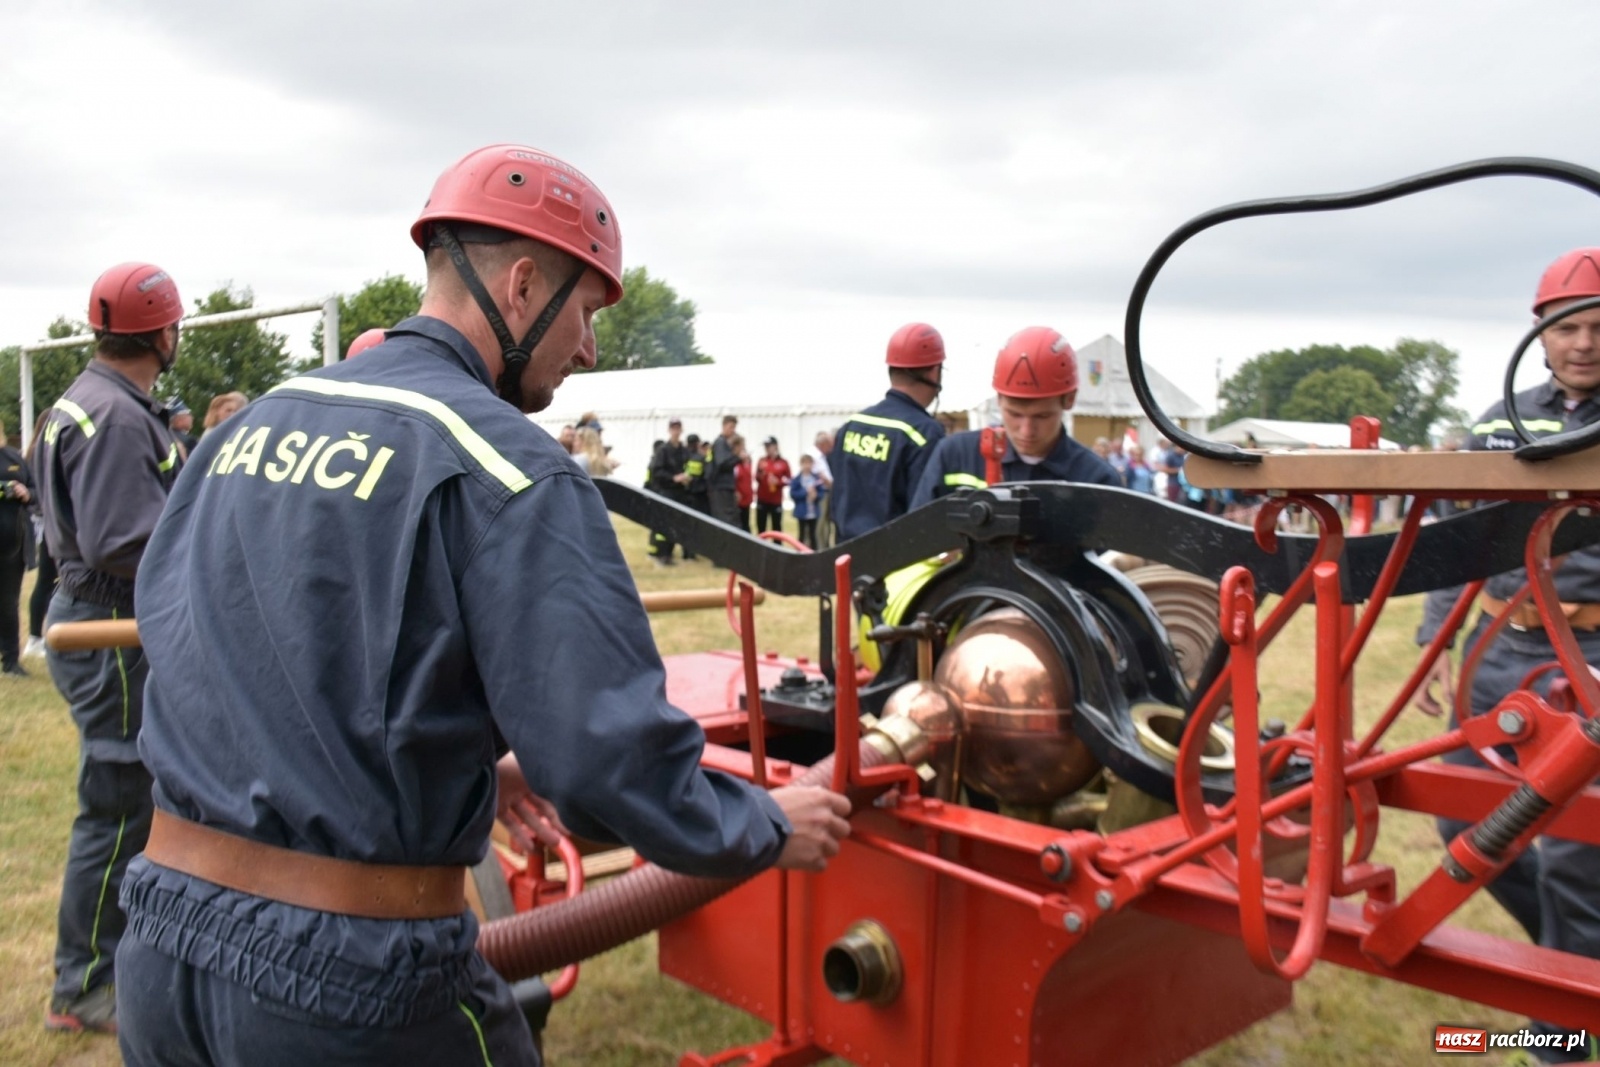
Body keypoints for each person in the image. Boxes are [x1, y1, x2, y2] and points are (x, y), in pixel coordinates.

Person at [115, 145, 851, 1067]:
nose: (586, 348)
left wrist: (454, 770)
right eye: (583, 313)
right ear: (522, 284)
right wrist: (762, 826)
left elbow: (205, 652)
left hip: (161, 945)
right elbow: (602, 760)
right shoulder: (511, 468)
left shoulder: (250, 428)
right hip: (351, 986)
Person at [1417, 248, 1600, 1062]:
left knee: (1572, 844)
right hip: (1500, 646)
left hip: (1589, 651)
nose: (1586, 343)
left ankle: (1561, 1030)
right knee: (1465, 818)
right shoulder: (1501, 420)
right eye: (1569, 327)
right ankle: (1573, 962)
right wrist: (1435, 640)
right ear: (1541, 332)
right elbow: (1452, 539)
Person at [31, 261, 184, 1034]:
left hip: (99, 621)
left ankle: (122, 956)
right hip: (109, 631)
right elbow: (122, 538)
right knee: (118, 806)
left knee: (134, 799)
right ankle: (83, 983)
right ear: (163, 331)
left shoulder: (86, 401)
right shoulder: (118, 417)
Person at [911, 326, 1120, 507]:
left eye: (1042, 416)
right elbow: (915, 540)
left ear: (1069, 399)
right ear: (999, 399)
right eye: (1015, 414)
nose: (1027, 430)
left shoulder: (1097, 480)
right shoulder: (954, 456)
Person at [830, 323, 947, 541]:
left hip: (844, 559)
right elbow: (925, 517)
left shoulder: (852, 425)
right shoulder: (924, 434)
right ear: (934, 371)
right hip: (895, 566)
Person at [0, 415, 34, 676]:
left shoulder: (14, 457)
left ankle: (11, 660)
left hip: (13, 543)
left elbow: (35, 489)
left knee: (9, 603)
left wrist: (26, 493)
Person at [23, 410, 57, 660]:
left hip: (49, 522)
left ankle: (39, 635)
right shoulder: (40, 452)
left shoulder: (35, 451)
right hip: (48, 523)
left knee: (50, 581)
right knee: (46, 580)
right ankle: (34, 638)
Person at [647, 418, 690, 564]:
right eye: (673, 428)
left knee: (676, 525)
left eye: (678, 428)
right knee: (663, 525)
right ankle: (661, 554)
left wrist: (686, 477)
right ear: (669, 430)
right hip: (666, 492)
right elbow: (657, 472)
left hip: (680, 492)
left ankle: (669, 554)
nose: (676, 431)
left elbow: (689, 466)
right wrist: (673, 478)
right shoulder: (663, 450)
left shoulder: (684, 450)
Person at [708, 415, 741, 527]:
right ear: (724, 426)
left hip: (725, 487)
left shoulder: (724, 443)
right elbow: (722, 463)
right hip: (720, 488)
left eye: (734, 427)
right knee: (725, 520)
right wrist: (738, 458)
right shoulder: (720, 443)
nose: (732, 430)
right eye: (730, 427)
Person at [755, 436, 791, 535]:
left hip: (776, 500)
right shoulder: (762, 461)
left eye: (769, 446)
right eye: (765, 446)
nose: (767, 448)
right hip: (762, 498)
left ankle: (777, 547)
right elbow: (756, 477)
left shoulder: (783, 462)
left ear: (775, 446)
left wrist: (778, 482)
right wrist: (761, 476)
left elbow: (789, 479)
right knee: (761, 527)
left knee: (776, 527)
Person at [791, 453, 826, 550]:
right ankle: (799, 553)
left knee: (813, 535)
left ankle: (813, 553)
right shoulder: (797, 479)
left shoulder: (816, 478)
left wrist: (816, 496)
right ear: (801, 464)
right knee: (801, 534)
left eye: (809, 463)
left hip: (813, 512)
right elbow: (793, 494)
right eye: (804, 463)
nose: (807, 466)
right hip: (802, 511)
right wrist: (805, 492)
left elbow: (821, 493)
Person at [808, 430, 835, 548]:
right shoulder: (813, 455)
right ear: (823, 444)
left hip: (827, 492)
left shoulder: (822, 456)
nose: (831, 449)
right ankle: (820, 547)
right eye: (829, 445)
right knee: (820, 523)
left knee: (826, 522)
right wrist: (828, 482)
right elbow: (817, 475)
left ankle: (825, 545)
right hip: (820, 493)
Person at [731, 434, 753, 533]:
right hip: (738, 500)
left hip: (747, 499)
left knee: (746, 524)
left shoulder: (747, 463)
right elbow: (732, 480)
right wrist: (735, 491)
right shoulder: (734, 464)